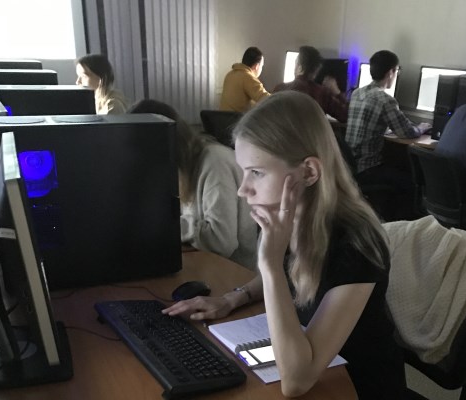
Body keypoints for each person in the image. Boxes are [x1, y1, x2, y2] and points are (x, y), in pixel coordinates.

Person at [164, 91, 406, 399]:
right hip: (310, 359)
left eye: (257, 173)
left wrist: (270, 265)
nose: (242, 190)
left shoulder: (356, 244)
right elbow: (290, 280)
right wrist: (232, 299)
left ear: (308, 172)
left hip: (356, 386)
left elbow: (296, 382)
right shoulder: (290, 217)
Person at [128, 99, 257, 270]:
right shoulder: (182, 166)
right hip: (206, 263)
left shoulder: (214, 163)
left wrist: (164, 225)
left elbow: (221, 241)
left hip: (235, 271)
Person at [345, 50, 431, 220]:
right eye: (396, 71)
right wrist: (422, 127)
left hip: (349, 166)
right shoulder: (385, 100)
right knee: (411, 182)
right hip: (367, 169)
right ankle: (399, 223)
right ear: (391, 72)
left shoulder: (357, 93)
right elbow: (407, 132)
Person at [273, 46, 349, 123]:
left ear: (300, 67)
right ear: (316, 70)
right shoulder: (323, 94)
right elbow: (346, 116)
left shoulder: (279, 89)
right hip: (310, 131)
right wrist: (337, 92)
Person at [219, 47, 270, 112]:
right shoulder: (248, 77)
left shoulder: (230, 74)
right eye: (262, 66)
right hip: (237, 118)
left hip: (222, 117)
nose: (261, 69)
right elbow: (266, 99)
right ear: (257, 66)